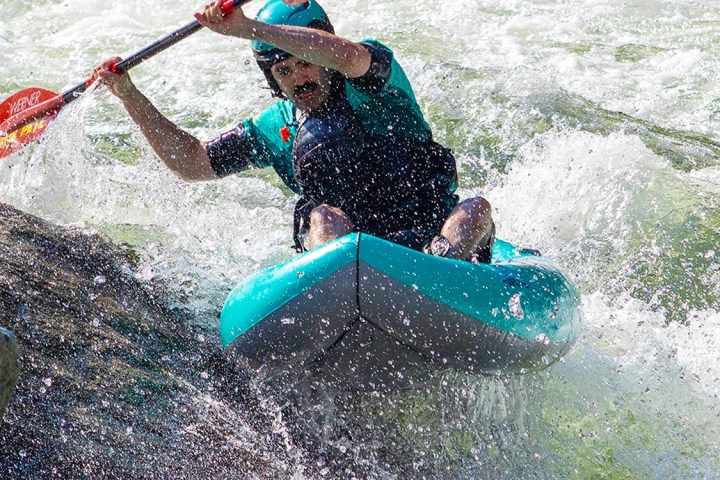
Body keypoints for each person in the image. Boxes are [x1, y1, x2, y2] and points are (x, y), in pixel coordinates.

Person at [92, 0, 495, 261]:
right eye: (283, 71)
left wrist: (252, 29)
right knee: (322, 219)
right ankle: (340, 295)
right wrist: (128, 94)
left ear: (323, 52)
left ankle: (443, 271)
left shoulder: (373, 82)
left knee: (475, 210)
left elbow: (350, 55)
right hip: (356, 261)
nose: (298, 78)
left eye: (305, 62)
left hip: (434, 238)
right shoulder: (276, 126)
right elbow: (193, 163)